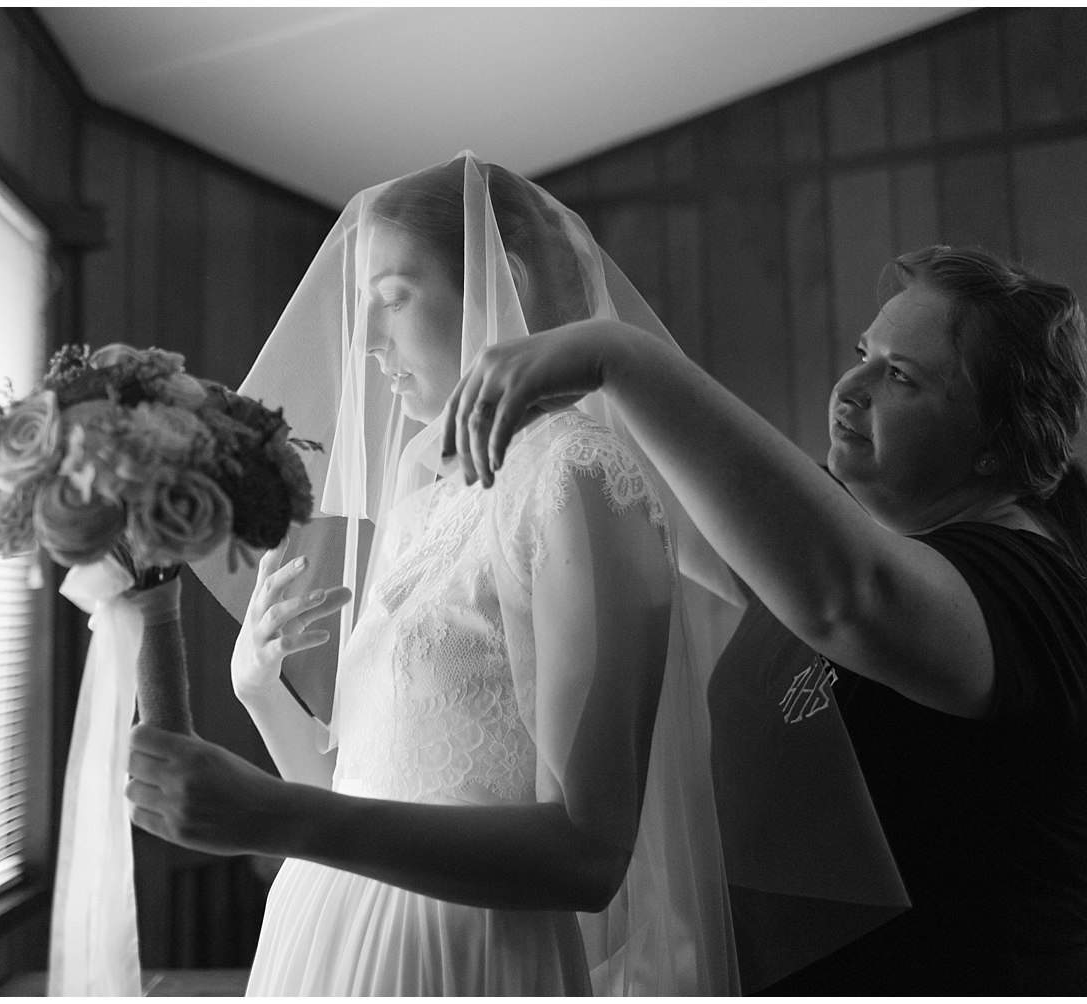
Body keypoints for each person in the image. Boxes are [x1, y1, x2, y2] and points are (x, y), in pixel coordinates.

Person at [444, 244, 1087, 994]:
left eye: (900, 376)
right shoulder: (857, 540)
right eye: (865, 353)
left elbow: (847, 598)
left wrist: (617, 357)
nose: (851, 388)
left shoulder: (1028, 588)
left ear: (997, 443)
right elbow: (686, 511)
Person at [123, 154, 744, 995]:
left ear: (502, 285)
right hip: (328, 943)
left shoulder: (577, 479)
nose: (367, 343)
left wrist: (276, 816)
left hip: (464, 963)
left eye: (392, 298)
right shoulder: (422, 498)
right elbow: (360, 795)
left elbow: (588, 856)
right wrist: (260, 691)